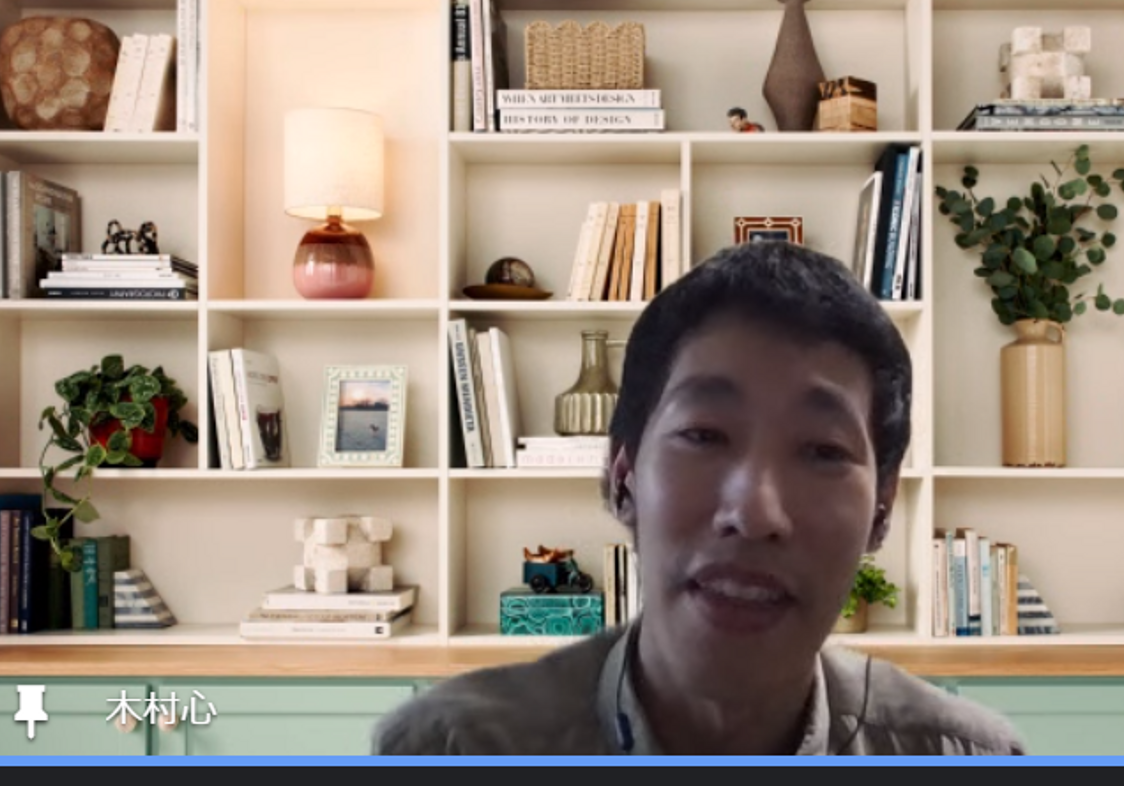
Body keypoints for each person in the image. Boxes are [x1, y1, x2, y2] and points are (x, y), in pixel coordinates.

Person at [373, 241, 1025, 756]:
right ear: (623, 478)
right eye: (704, 434)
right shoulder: (454, 749)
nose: (755, 512)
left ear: (882, 507)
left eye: (824, 451)